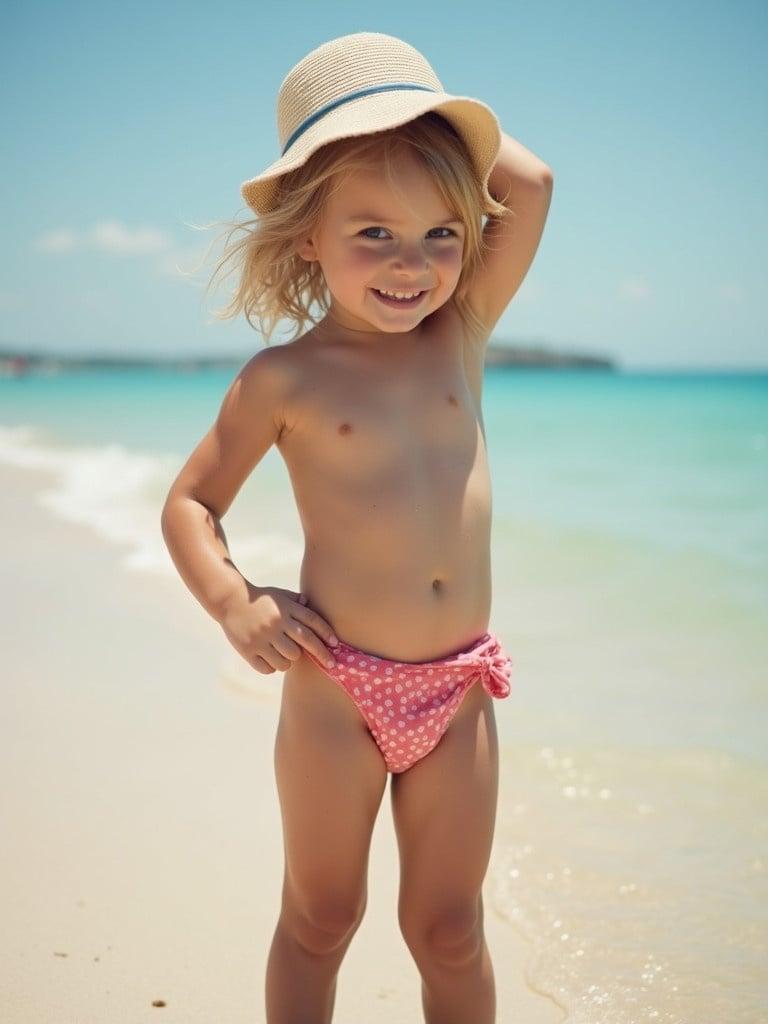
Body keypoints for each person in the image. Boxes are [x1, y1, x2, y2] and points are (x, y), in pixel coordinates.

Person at [161, 30, 553, 1024]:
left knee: (450, 927)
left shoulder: (457, 336)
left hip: (457, 686)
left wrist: (416, 106)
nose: (410, 265)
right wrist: (236, 603)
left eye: (441, 234)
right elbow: (192, 504)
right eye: (372, 232)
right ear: (307, 234)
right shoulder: (285, 378)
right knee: (322, 913)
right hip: (337, 684)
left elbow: (533, 181)